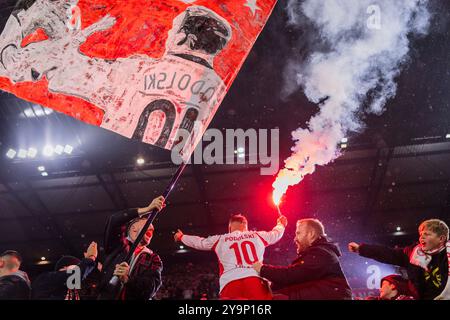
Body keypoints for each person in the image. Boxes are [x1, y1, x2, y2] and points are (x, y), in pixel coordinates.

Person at [174, 213, 287, 300]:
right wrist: (280, 224)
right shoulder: (257, 235)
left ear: (230, 226)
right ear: (244, 224)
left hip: (230, 282)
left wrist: (182, 237)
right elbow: (276, 234)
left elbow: (199, 242)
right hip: (255, 279)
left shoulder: (220, 239)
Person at [348, 219, 450, 300]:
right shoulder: (413, 253)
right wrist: (361, 249)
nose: (421, 237)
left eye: (427, 234)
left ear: (441, 239)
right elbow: (388, 253)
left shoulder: (447, 255)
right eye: (421, 234)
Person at [252, 219, 352, 300]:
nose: (295, 238)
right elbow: (295, 280)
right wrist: (271, 286)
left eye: (298, 233)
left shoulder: (321, 253)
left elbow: (291, 276)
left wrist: (262, 269)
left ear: (311, 234)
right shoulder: (317, 254)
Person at [97, 196, 165, 300]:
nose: (152, 228)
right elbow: (114, 220)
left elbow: (151, 288)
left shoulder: (153, 258)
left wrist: (128, 280)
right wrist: (147, 209)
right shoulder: (118, 246)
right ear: (133, 228)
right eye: (148, 224)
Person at [31, 242, 98, 300]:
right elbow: (75, 275)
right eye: (75, 267)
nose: (78, 269)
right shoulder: (47, 277)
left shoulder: (69, 287)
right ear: (65, 267)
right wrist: (91, 258)